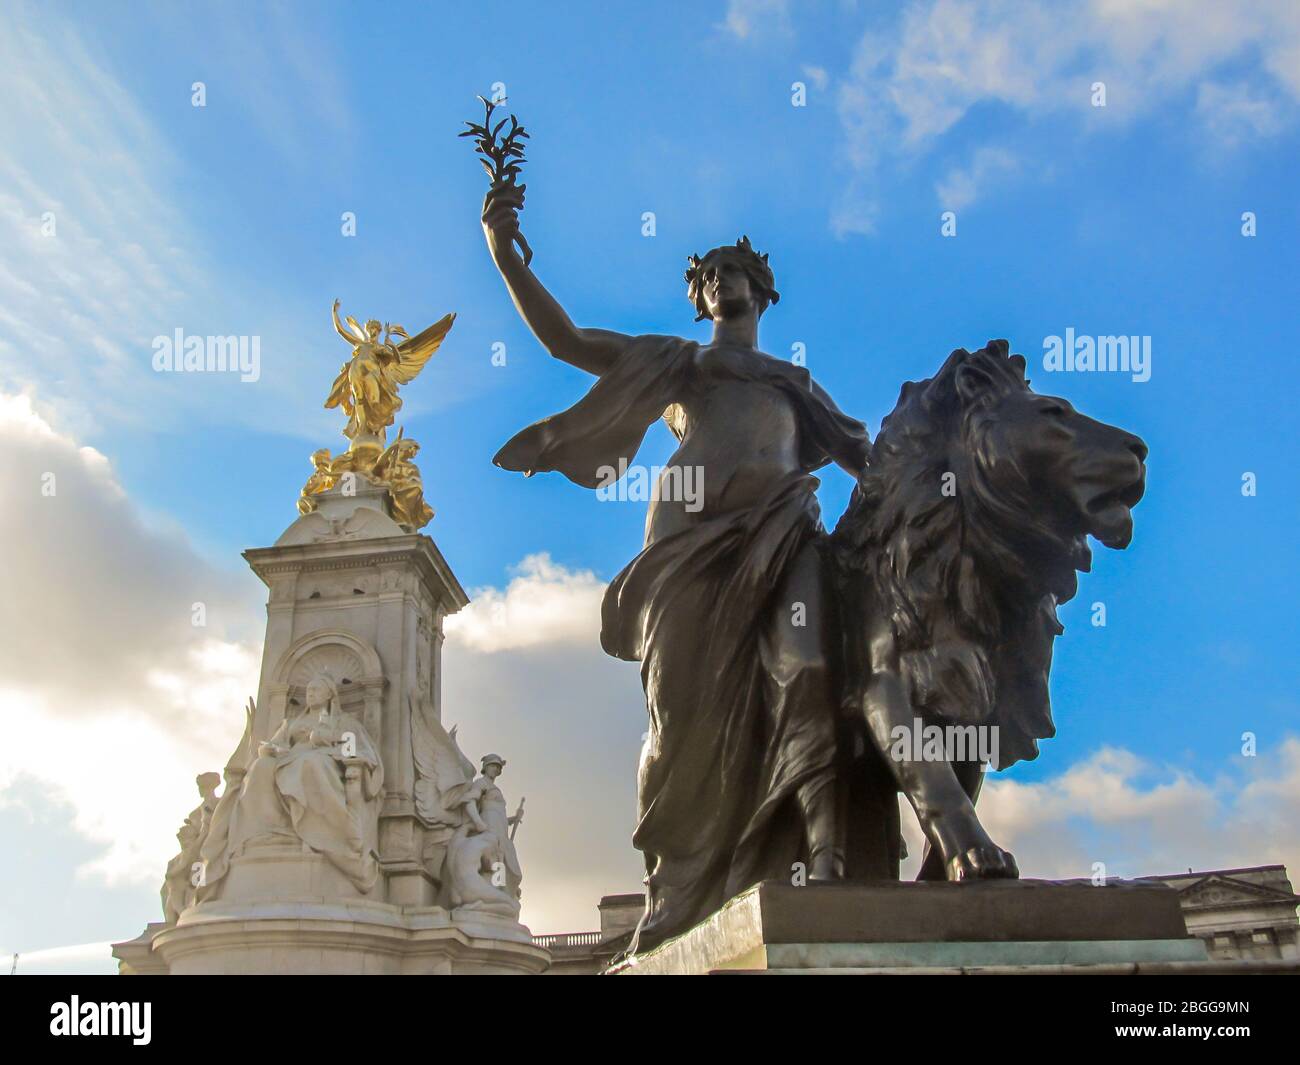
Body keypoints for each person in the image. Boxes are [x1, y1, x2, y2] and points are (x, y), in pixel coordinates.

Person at [482, 181, 882, 951]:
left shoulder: (796, 385)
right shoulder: (680, 365)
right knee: (681, 716)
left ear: (761, 289)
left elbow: (872, 462)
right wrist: (506, 255)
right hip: (685, 550)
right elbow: (566, 342)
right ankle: (676, 884)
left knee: (808, 672)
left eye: (730, 271)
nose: (716, 283)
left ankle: (825, 859)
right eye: (705, 278)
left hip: (784, 534)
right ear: (699, 303)